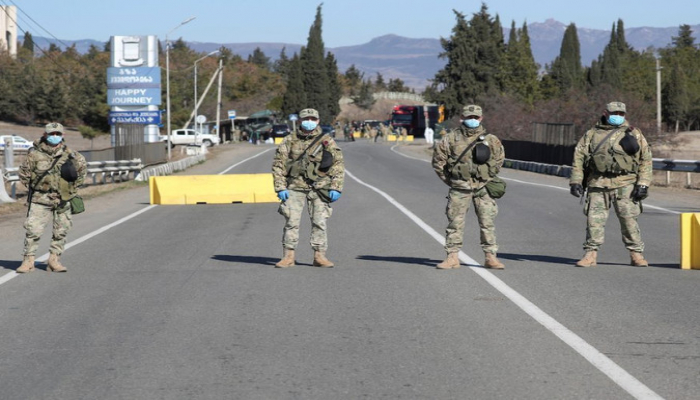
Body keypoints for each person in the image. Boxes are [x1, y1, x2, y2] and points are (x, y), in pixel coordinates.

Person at [569, 101, 653, 267]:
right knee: (594, 221)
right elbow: (579, 157)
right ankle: (590, 254)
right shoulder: (592, 134)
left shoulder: (634, 133)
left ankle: (636, 254)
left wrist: (643, 183)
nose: (618, 116)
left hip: (625, 183)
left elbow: (646, 159)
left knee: (629, 220)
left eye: (621, 114)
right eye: (615, 113)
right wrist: (576, 180)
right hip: (598, 183)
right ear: (605, 113)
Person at [432, 105, 506, 270]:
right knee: (455, 223)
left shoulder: (491, 139)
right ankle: (452, 257)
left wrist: (487, 176)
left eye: (475, 117)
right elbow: (438, 162)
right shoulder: (450, 139)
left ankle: (490, 257)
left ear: (481, 118)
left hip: (483, 188)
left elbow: (500, 159)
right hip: (460, 187)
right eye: (469, 117)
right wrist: (451, 181)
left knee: (487, 223)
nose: (472, 120)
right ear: (462, 118)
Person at [272, 108, 345, 268]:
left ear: (318, 121)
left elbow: (337, 164)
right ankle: (288, 256)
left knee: (319, 222)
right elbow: (279, 164)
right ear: (299, 121)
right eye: (306, 118)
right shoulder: (289, 140)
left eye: (313, 118)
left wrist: (336, 187)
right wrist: (280, 187)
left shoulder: (326, 140)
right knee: (291, 221)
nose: (309, 121)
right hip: (294, 187)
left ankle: (320, 256)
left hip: (319, 187)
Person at [16, 122, 87, 273]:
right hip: (40, 199)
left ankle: (54, 260)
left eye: (58, 134)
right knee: (33, 230)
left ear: (63, 135)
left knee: (61, 230)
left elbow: (81, 172)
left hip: (63, 199)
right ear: (45, 135)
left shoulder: (71, 155)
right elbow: (24, 174)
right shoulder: (34, 154)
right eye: (51, 134)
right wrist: (36, 189)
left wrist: (71, 189)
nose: (55, 136)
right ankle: (28, 261)